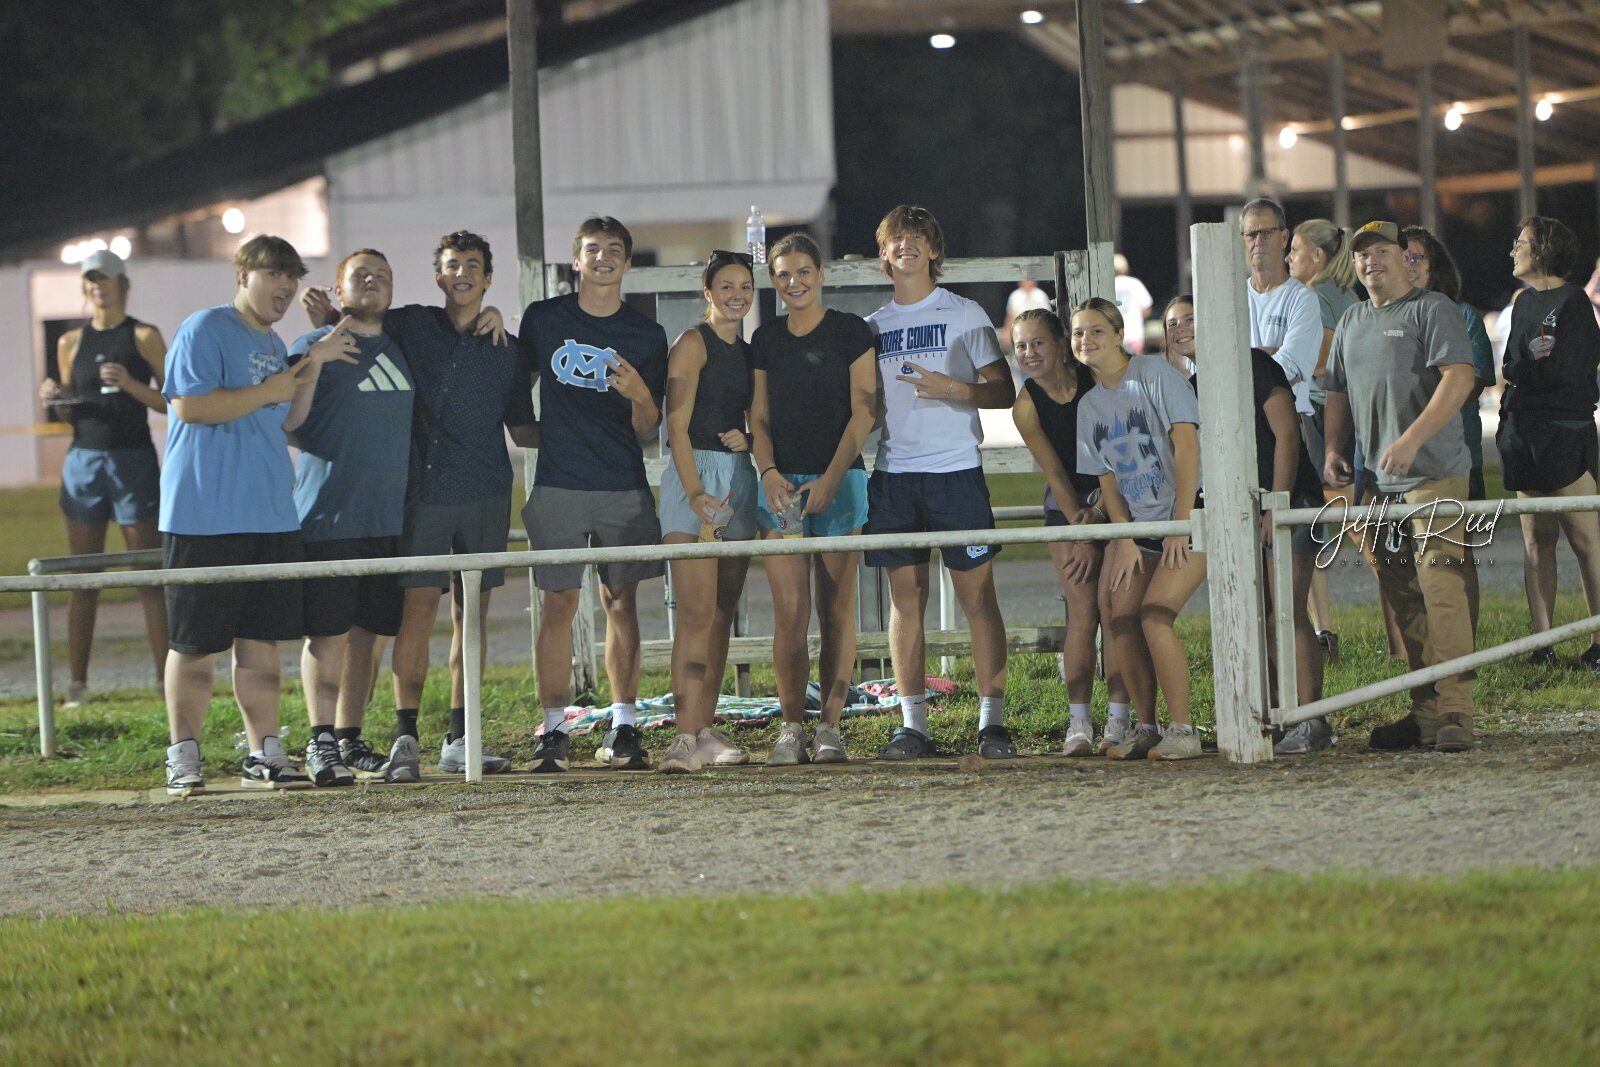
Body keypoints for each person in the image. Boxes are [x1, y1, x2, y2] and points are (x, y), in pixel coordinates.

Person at [160, 235, 359, 795]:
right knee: (195, 644)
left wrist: (310, 365)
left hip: (271, 513)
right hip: (203, 513)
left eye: (292, 277)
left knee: (261, 643)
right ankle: (183, 754)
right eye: (274, 274)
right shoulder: (205, 327)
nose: (286, 286)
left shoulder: (273, 343)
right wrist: (270, 387)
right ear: (243, 274)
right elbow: (190, 405)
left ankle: (264, 750)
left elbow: (286, 417)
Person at [866, 205, 1018, 760]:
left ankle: (992, 723)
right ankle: (913, 726)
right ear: (884, 254)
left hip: (956, 471)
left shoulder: (964, 312)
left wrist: (952, 389)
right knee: (905, 602)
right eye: (896, 238)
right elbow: (866, 407)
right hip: (895, 474)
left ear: (933, 250)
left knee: (977, 599)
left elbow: (1003, 392)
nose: (906, 245)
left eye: (917, 237)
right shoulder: (873, 326)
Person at [519, 216, 669, 773]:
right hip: (558, 482)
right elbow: (515, 389)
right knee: (557, 604)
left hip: (621, 483)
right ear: (576, 259)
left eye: (613, 250)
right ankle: (554, 730)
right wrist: (535, 435)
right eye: (592, 249)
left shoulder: (645, 334)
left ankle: (624, 724)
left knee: (621, 602)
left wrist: (638, 393)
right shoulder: (544, 318)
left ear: (626, 262)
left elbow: (649, 426)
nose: (602, 257)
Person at [1323, 221, 1480, 752]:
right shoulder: (1351, 319)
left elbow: (1460, 377)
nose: (1370, 261)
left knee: (1442, 591)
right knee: (1404, 598)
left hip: (1434, 474)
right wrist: (1334, 449)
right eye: (1362, 254)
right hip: (1377, 484)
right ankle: (1427, 712)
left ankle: (1456, 710)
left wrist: (1412, 440)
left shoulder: (1432, 309)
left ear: (1405, 258)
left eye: (1381, 251)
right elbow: (1336, 391)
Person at [1164, 295, 1328, 753]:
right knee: (1260, 618)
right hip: (1241, 511)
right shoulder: (1192, 386)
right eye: (1172, 323)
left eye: (1190, 318)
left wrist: (1278, 504)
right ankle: (1276, 713)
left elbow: (1287, 432)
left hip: (1289, 500)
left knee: (1286, 612)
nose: (1180, 328)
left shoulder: (1254, 363)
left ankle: (1312, 718)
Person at [284, 249, 414, 786]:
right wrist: (315, 355)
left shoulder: (403, 346)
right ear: (338, 292)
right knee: (327, 634)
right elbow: (291, 424)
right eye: (360, 276)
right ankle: (319, 740)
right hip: (329, 514)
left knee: (370, 635)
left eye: (382, 276)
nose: (373, 282)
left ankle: (350, 738)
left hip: (388, 518)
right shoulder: (313, 346)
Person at [749, 233, 877, 767]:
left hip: (839, 481)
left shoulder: (850, 331)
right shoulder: (765, 338)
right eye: (783, 274)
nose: (794, 282)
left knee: (836, 609)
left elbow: (865, 410)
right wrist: (768, 471)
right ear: (773, 280)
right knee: (790, 613)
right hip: (781, 486)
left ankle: (830, 726)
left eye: (803, 271)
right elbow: (757, 416)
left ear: (821, 274)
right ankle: (791, 728)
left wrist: (830, 478)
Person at [1073, 298, 1204, 761]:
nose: (1086, 340)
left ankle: (1184, 729)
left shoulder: (1154, 375)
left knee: (1154, 615)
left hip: (1190, 514)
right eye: (1078, 333)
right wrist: (1124, 537)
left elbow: (1187, 446)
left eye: (1096, 331)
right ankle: (1147, 727)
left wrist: (1180, 524)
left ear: (1118, 334)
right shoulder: (1089, 406)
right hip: (1142, 523)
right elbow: (1107, 479)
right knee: (1119, 616)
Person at [37, 249, 168, 707]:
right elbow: (73, 409)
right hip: (85, 460)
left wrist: (132, 385)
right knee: (83, 575)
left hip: (133, 459)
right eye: (91, 279)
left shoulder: (144, 335)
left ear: (122, 283)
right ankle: (77, 686)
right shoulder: (70, 342)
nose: (98, 286)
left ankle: (164, 682)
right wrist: (56, 397)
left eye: (105, 278)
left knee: (148, 575)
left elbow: (174, 401)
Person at [654, 251, 759, 773]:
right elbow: (674, 426)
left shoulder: (749, 352)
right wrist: (695, 493)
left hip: (738, 479)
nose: (736, 295)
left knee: (721, 613)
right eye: (726, 286)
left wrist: (751, 439)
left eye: (745, 286)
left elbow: (756, 419)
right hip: (694, 478)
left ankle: (704, 729)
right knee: (694, 614)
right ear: (708, 292)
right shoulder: (692, 344)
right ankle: (681, 737)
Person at [1009, 307, 1129, 755]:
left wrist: (1099, 515)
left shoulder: (1096, 381)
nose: (1029, 353)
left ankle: (1119, 719)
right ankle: (1079, 723)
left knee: (1115, 611)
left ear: (1061, 344)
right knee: (1082, 611)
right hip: (1069, 504)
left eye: (1038, 342)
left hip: (1118, 496)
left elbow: (1120, 457)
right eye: (1021, 346)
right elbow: (1056, 475)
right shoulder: (1026, 406)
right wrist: (1080, 529)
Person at [1501, 215, 1600, 672]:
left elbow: (1572, 371)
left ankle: (1597, 641)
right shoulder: (1523, 302)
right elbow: (1512, 364)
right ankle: (1543, 643)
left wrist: (1530, 374)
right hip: (1524, 432)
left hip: (1564, 432)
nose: (1512, 250)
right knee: (1536, 540)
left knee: (1585, 540)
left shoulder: (1573, 301)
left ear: (1542, 249)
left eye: (1520, 242)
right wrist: (1528, 374)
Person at [1287, 218, 1365, 664]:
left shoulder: (1315, 298)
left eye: (1295, 249)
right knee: (1318, 524)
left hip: (1320, 414)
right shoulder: (1345, 295)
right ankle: (1324, 631)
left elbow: (1321, 361)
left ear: (1318, 255)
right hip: (1341, 414)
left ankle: (1326, 631)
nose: (1288, 258)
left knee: (1341, 520)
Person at [1402, 227, 1497, 502]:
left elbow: (1473, 383)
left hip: (1455, 455)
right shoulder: (1383, 319)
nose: (1407, 266)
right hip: (1399, 459)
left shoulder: (1462, 315)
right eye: (1401, 259)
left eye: (1415, 258)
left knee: (1458, 531)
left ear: (1434, 266)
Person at [1241, 199, 1322, 423]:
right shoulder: (1231, 297)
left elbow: (1288, 367)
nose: (1258, 241)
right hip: (1241, 421)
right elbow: (1207, 360)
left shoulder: (1303, 299)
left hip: (1288, 425)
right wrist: (1267, 354)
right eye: (1251, 234)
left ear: (1284, 238)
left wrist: (1240, 359)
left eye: (1267, 233)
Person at [1113, 253, 1153, 354]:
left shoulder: (1106, 285)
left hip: (1112, 336)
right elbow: (1147, 308)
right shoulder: (1134, 283)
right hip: (1133, 335)